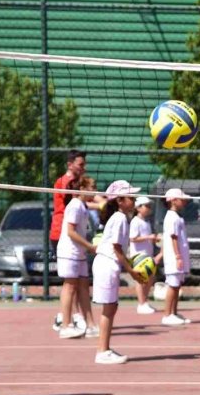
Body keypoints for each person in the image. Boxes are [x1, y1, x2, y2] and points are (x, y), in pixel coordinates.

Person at [92, 181, 143, 364]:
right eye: (131, 197)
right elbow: (117, 248)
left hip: (108, 263)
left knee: (111, 307)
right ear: (120, 201)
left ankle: (104, 348)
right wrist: (131, 271)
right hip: (107, 263)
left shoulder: (120, 217)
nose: (135, 200)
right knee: (108, 308)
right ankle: (102, 351)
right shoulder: (120, 218)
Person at [50, 149, 88, 332]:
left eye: (84, 165)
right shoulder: (65, 183)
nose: (83, 168)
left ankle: (67, 316)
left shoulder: (77, 185)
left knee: (76, 280)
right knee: (70, 281)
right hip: (61, 234)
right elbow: (72, 202)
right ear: (70, 164)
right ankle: (67, 318)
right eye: (80, 165)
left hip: (71, 235)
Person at [55, 175, 97, 339]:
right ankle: (66, 325)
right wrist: (90, 246)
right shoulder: (75, 205)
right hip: (69, 251)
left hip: (79, 252)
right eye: (92, 187)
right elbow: (70, 232)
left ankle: (91, 325)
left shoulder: (83, 205)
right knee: (70, 286)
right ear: (82, 189)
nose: (94, 190)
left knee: (84, 287)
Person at [161, 188, 191, 326]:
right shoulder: (172, 217)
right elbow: (174, 238)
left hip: (179, 257)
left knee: (177, 285)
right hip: (174, 258)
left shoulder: (177, 216)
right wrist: (178, 256)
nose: (185, 201)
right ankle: (167, 315)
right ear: (173, 201)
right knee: (172, 286)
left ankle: (174, 312)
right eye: (181, 199)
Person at [129, 196, 159, 314]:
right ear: (138, 208)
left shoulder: (146, 222)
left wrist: (153, 240)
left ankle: (144, 302)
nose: (148, 208)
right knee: (141, 279)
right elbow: (133, 238)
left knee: (149, 279)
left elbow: (145, 238)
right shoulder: (135, 221)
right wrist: (148, 237)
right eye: (146, 206)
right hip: (138, 255)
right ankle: (141, 303)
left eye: (149, 206)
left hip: (148, 254)